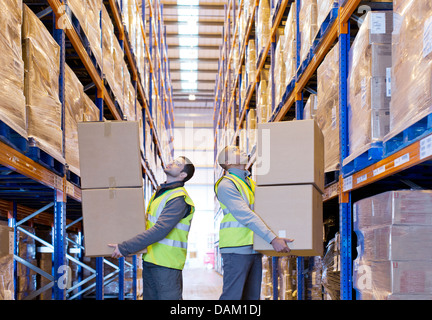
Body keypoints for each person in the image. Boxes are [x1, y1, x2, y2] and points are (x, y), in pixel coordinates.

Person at [109, 156, 195, 300]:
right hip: (151, 260)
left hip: (167, 264)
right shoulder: (161, 194)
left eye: (178, 163)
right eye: (174, 160)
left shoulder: (178, 198)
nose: (172, 162)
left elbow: (160, 229)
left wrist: (125, 247)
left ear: (182, 175)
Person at [214, 145, 294, 300]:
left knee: (251, 298)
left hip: (254, 247)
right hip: (236, 248)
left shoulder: (249, 183)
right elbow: (245, 215)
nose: (242, 150)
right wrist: (272, 238)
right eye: (236, 151)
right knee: (232, 297)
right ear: (228, 161)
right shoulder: (226, 185)